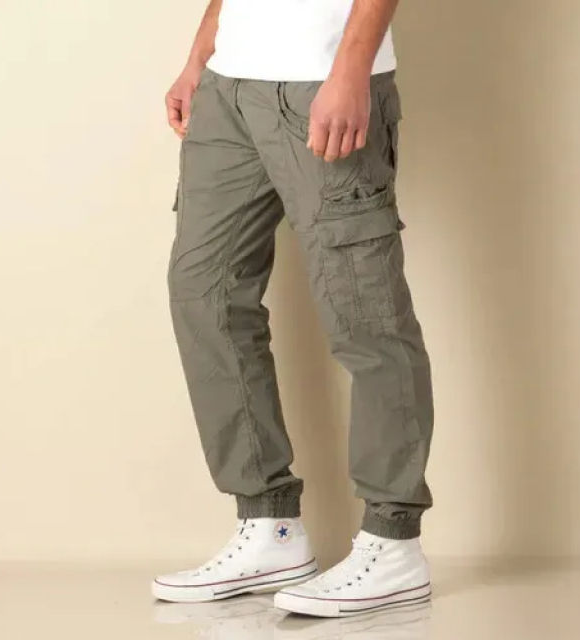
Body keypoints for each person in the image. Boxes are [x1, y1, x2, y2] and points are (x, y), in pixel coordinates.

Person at [152, 0, 434, 617]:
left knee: (365, 312)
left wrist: (351, 70)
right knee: (204, 294)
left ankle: (393, 541)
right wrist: (201, 56)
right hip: (229, 86)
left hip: (321, 76)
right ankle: (269, 527)